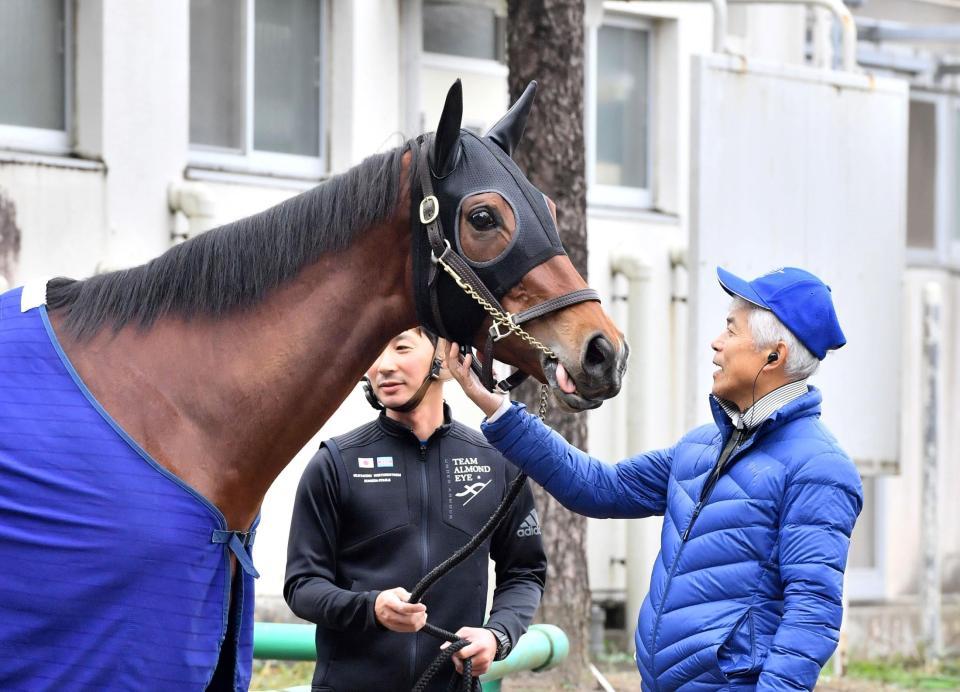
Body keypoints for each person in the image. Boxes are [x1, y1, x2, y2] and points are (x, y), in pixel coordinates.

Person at [448, 267, 864, 691]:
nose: (716, 344)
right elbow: (599, 488)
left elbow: (812, 614)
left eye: (730, 329)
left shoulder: (819, 469)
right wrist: (496, 408)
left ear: (772, 357)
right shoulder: (700, 447)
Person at [285, 327, 546, 692]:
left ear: (444, 355)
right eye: (374, 351)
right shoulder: (335, 463)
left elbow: (525, 571)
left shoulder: (497, 462)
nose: (383, 366)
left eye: (402, 347)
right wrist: (371, 608)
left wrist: (497, 634)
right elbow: (302, 586)